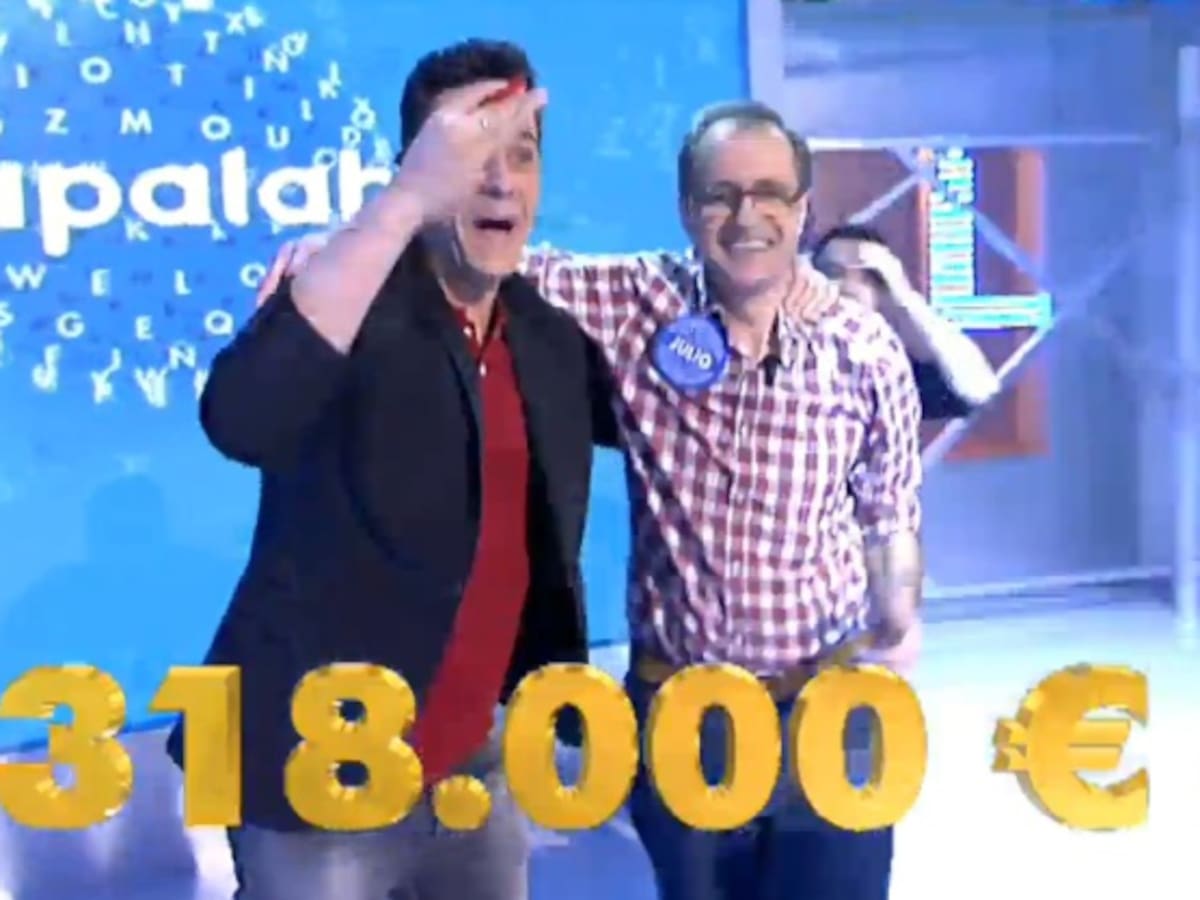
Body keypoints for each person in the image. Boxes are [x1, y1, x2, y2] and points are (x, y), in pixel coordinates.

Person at [260, 100, 923, 900]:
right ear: (688, 210)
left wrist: (900, 613)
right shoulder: (636, 301)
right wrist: (341, 250)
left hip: (831, 703)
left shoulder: (863, 347)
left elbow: (888, 509)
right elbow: (487, 261)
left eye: (769, 194)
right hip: (684, 713)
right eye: (721, 196)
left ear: (802, 208)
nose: (747, 216)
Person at [166, 39, 611, 900]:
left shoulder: (550, 339)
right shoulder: (344, 300)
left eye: (522, 154)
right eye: (470, 155)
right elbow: (241, 419)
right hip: (312, 775)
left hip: (475, 765)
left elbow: (687, 415)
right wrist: (399, 206)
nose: (500, 181)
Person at [810, 223, 1001, 419]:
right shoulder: (795, 350)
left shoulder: (890, 366)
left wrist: (903, 295)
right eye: (832, 272)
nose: (847, 285)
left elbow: (978, 389)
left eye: (868, 276)